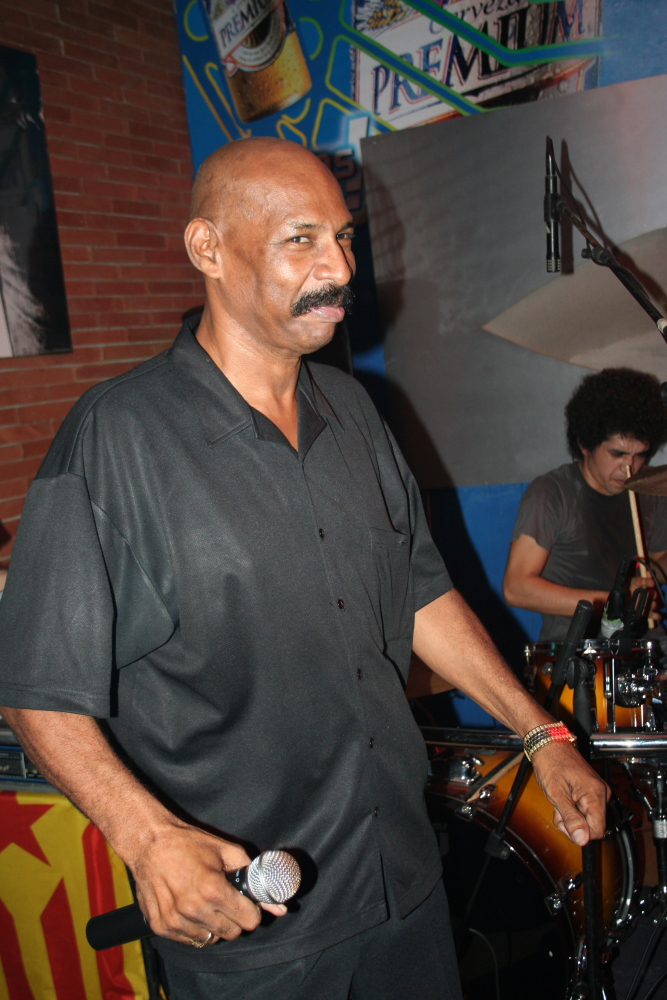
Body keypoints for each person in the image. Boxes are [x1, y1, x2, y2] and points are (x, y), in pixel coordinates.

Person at [0, 138, 606, 1000]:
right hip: (255, 929)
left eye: (345, 237)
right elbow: (35, 687)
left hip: (402, 880)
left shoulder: (354, 410)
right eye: (302, 240)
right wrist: (145, 838)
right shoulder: (115, 440)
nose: (339, 267)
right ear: (207, 249)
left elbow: (420, 590)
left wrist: (539, 734)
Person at [504, 367, 667, 641]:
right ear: (585, 444)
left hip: (648, 648)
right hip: (580, 653)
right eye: (618, 453)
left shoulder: (648, 491)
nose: (630, 466)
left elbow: (659, 561)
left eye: (640, 455)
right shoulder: (552, 494)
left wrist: (649, 581)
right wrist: (618, 601)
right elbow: (516, 588)